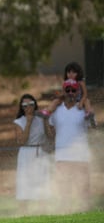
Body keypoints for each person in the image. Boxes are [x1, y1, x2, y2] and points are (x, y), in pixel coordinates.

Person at [45, 79, 93, 213]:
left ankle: (85, 214)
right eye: (68, 90)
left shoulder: (83, 109)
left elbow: (93, 128)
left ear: (78, 91)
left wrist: (89, 109)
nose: (71, 92)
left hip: (81, 155)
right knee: (63, 190)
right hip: (62, 156)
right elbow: (50, 132)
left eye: (74, 90)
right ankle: (65, 213)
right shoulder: (56, 110)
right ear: (64, 92)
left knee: (83, 190)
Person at [13, 94, 53, 214]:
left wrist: (46, 120)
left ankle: (43, 212)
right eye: (25, 105)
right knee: (24, 182)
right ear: (22, 107)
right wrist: (28, 122)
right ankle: (23, 213)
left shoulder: (41, 118)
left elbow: (50, 136)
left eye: (31, 104)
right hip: (26, 153)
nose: (28, 107)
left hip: (40, 152)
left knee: (42, 181)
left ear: (35, 105)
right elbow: (21, 141)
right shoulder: (19, 121)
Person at [38, 62, 95, 126]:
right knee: (56, 101)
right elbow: (64, 93)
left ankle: (89, 113)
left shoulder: (80, 82)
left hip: (80, 99)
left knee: (87, 101)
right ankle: (47, 111)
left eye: (73, 72)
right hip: (68, 99)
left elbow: (85, 94)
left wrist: (81, 102)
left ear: (78, 73)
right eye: (69, 72)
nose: (71, 74)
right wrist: (59, 96)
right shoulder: (66, 82)